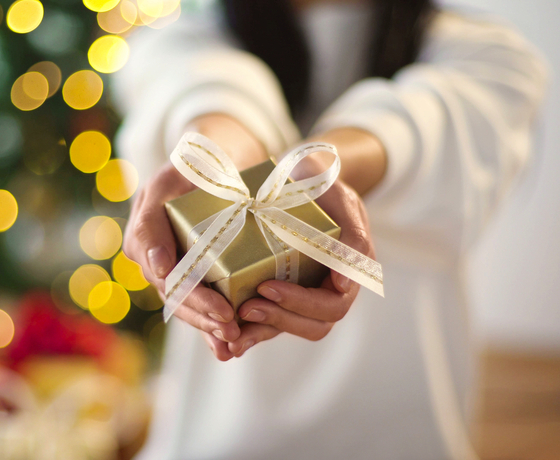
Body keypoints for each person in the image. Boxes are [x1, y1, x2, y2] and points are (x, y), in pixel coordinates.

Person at [112, 0, 548, 458]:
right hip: (217, 437)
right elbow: (206, 84)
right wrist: (219, 151)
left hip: (399, 435)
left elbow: (432, 116)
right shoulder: (186, 34)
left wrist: (324, 168)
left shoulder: (487, 54)